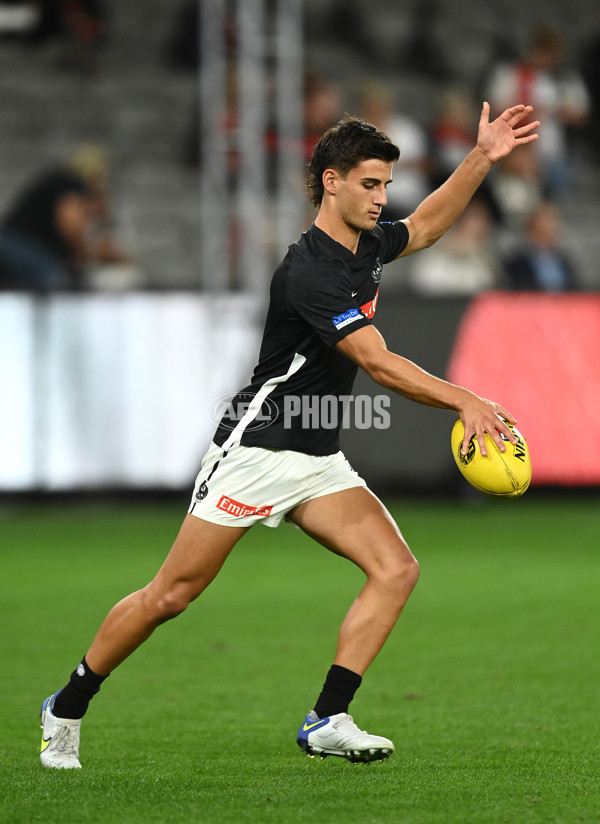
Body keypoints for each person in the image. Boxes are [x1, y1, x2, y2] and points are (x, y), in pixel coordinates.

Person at [39, 100, 539, 769]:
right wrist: (465, 400)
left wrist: (480, 157)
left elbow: (423, 228)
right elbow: (378, 361)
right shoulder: (310, 270)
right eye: (369, 183)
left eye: (385, 184)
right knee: (171, 595)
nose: (381, 197)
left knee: (395, 570)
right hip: (257, 450)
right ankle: (67, 704)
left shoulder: (365, 245)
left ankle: (328, 718)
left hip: (316, 457)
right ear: (330, 181)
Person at [502, 201, 579, 291]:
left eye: (556, 220)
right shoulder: (516, 263)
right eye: (548, 220)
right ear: (533, 225)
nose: (555, 225)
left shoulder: (565, 262)